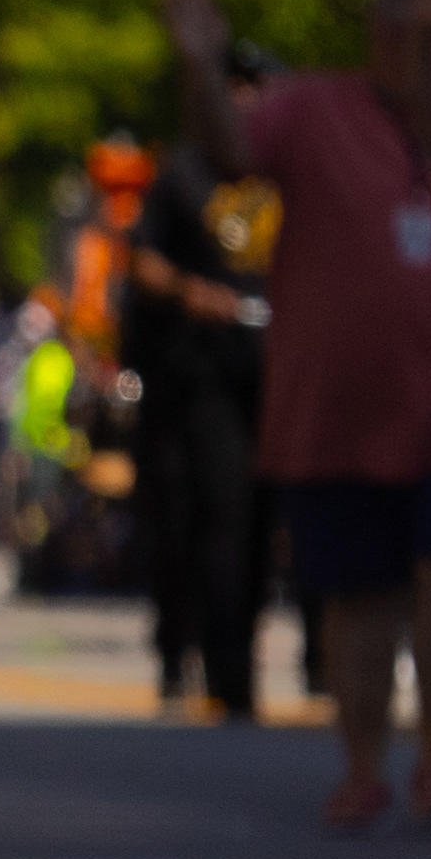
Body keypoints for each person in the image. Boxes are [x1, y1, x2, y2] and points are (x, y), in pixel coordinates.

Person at [166, 0, 431, 831]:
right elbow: (230, 151)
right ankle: (364, 767)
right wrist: (201, 66)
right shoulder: (312, 109)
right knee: (360, 595)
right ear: (384, 37)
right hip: (338, 405)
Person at [124, 42, 281, 717]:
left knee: (257, 521)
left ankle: (238, 657)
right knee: (206, 516)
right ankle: (194, 656)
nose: (247, 97)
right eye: (236, 84)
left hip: (273, 370)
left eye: (259, 84)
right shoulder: (183, 172)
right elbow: (143, 263)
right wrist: (192, 292)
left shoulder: (290, 172)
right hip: (196, 374)